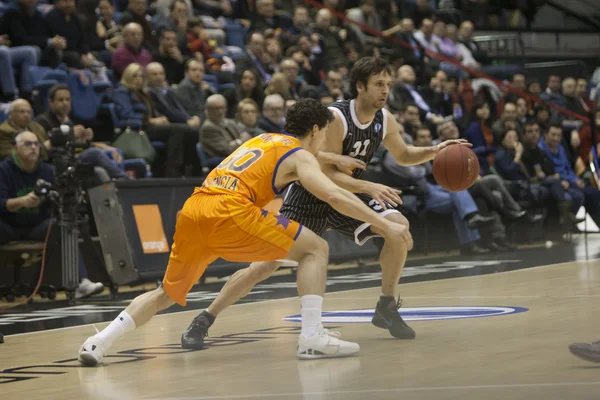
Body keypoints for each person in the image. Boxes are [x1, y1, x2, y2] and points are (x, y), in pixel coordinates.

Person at [77, 99, 412, 366]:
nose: (323, 141)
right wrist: (385, 226)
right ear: (314, 130)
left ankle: (99, 342)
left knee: (166, 293)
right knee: (315, 250)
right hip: (232, 211)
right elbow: (334, 195)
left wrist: (328, 155)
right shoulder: (299, 156)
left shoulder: (262, 139)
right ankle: (312, 337)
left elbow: (308, 155)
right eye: (323, 134)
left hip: (195, 209)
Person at [181, 57, 468, 349]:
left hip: (348, 193)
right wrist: (368, 185)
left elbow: (404, 155)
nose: (385, 91)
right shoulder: (335, 118)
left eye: (388, 85)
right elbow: (325, 173)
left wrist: (435, 150)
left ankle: (386, 305)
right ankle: (205, 318)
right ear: (360, 86)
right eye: (379, 84)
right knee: (263, 267)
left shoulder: (385, 119)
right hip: (310, 195)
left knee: (397, 226)